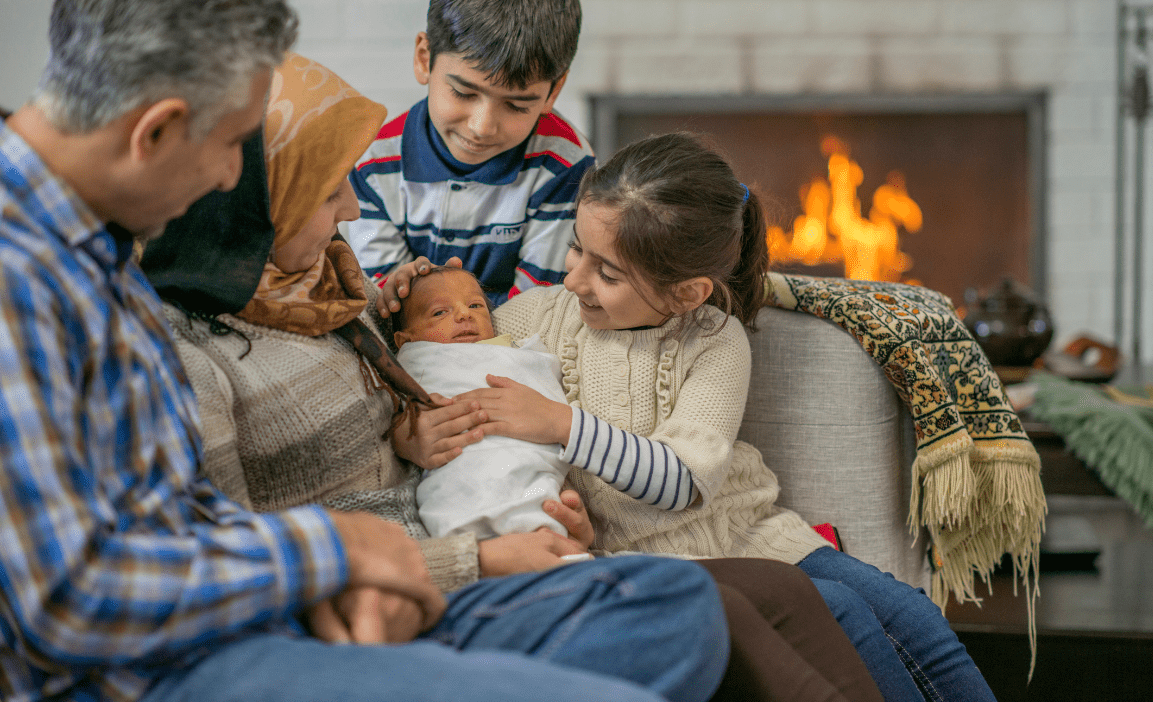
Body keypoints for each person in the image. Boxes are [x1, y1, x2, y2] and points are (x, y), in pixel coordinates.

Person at [0, 0, 721, 702]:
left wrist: (355, 570)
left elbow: (183, 512)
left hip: (273, 615)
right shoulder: (24, 276)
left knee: (671, 607)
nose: (229, 183)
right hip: (167, 668)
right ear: (159, 131)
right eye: (237, 146)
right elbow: (65, 600)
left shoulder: (100, 253)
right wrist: (335, 552)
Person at [150, 52, 883, 702]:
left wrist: (523, 493)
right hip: (413, 585)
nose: (350, 207)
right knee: (694, 606)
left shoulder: (335, 292)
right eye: (325, 191)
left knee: (792, 589)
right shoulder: (190, 358)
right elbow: (239, 567)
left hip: (479, 526)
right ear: (247, 210)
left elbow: (434, 396)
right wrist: (484, 557)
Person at [449, 132, 999, 702]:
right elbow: (451, 345)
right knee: (842, 613)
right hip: (643, 557)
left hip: (749, 533)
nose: (574, 279)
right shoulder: (542, 315)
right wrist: (406, 302)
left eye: (607, 274)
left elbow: (683, 481)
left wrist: (560, 424)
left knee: (911, 614)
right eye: (576, 249)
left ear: (688, 293)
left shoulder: (714, 340)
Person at [343, 0, 593, 306]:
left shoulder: (567, 167)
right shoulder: (372, 162)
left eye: (516, 105)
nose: (482, 127)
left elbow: (539, 306)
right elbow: (386, 299)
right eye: (463, 93)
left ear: (554, 90)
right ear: (424, 59)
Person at [393, 266, 573, 539]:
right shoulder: (415, 364)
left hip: (529, 474)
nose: (464, 314)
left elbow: (545, 385)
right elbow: (389, 410)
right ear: (406, 340)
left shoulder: (517, 354)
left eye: (475, 305)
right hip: (458, 478)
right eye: (440, 312)